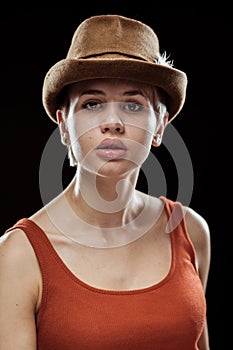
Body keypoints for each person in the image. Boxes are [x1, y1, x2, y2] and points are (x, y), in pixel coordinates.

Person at [0, 14, 211, 350]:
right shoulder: (19, 255)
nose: (113, 122)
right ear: (64, 125)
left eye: (133, 104)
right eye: (92, 103)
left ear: (160, 125)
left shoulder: (189, 230)